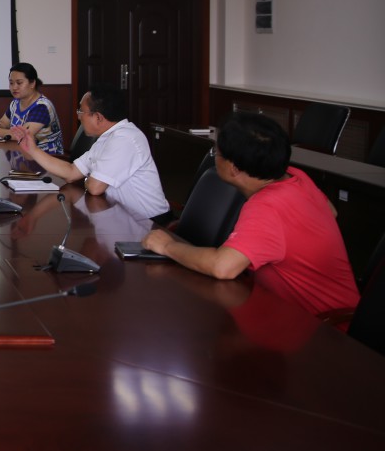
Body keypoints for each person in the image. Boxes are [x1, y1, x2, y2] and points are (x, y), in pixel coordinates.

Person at [142, 112, 360, 318]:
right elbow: (331, 211)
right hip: (304, 313)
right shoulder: (295, 176)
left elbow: (223, 267)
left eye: (217, 152)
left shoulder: (268, 205)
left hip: (321, 329)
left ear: (234, 168)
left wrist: (167, 246)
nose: (215, 156)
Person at [10, 82, 169, 219]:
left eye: (81, 111)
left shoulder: (125, 139)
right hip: (121, 216)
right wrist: (33, 149)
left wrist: (88, 178)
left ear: (98, 117)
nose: (78, 116)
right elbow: (71, 172)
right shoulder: (107, 138)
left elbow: (95, 187)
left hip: (150, 224)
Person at [0, 62, 64, 154]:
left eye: (19, 83)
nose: (14, 87)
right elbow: (3, 122)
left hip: (46, 157)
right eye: (11, 83)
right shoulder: (15, 103)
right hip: (22, 153)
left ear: (32, 83)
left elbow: (23, 136)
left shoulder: (41, 107)